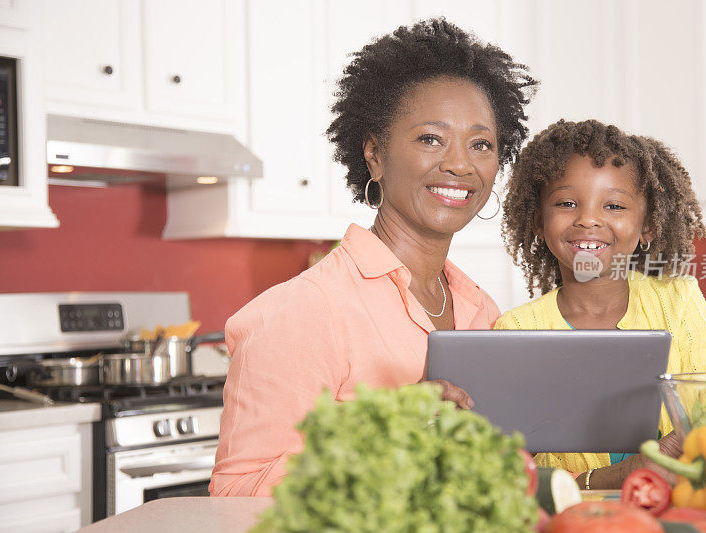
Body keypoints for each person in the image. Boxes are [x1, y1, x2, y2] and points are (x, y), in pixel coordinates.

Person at [209, 18, 538, 497]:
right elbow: (236, 495)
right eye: (431, 138)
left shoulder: (479, 309)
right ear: (375, 156)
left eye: (481, 144)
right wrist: (387, 428)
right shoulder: (305, 310)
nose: (461, 164)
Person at [496, 119, 706, 490]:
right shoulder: (515, 329)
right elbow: (514, 472)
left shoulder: (679, 300)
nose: (588, 218)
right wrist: (609, 477)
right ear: (539, 221)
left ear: (648, 225)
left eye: (615, 205)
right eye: (567, 202)